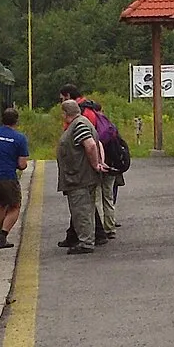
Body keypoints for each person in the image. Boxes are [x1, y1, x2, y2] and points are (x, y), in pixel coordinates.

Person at [55, 99, 109, 255]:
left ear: (65, 113)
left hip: (80, 177)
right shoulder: (83, 122)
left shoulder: (79, 125)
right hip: (80, 176)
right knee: (86, 209)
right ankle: (87, 239)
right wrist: (100, 162)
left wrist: (95, 164)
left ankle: (86, 242)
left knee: (81, 209)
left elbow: (91, 145)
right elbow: (98, 145)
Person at [0, 105, 31, 247]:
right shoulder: (19, 138)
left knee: (1, 203)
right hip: (7, 177)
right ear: (16, 121)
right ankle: (2, 237)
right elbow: (22, 165)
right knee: (15, 206)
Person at [81, 97, 124, 238]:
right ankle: (110, 228)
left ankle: (99, 230)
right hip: (111, 166)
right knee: (109, 197)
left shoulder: (89, 125)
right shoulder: (110, 125)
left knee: (97, 198)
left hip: (97, 166)